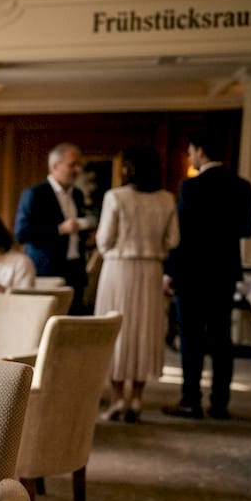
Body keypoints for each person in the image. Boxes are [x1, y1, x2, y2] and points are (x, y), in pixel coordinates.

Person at [163, 130, 251, 420]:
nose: (190, 155)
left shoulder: (191, 187)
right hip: (224, 272)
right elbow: (248, 229)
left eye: (191, 150)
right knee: (221, 339)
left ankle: (190, 400)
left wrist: (169, 272)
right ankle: (219, 403)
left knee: (191, 339)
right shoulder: (241, 185)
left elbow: (179, 236)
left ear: (201, 151)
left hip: (191, 273)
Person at [93, 147, 179, 423]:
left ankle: (118, 399)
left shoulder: (115, 197)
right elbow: (173, 240)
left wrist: (115, 249)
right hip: (151, 270)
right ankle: (137, 399)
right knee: (144, 331)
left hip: (119, 269)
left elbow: (104, 239)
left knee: (115, 329)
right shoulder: (166, 199)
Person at [14, 142, 92, 313]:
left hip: (75, 272)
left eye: (79, 165)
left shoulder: (78, 195)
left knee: (74, 321)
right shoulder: (35, 194)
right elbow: (22, 233)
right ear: (55, 166)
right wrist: (60, 229)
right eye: (72, 165)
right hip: (47, 271)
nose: (78, 170)